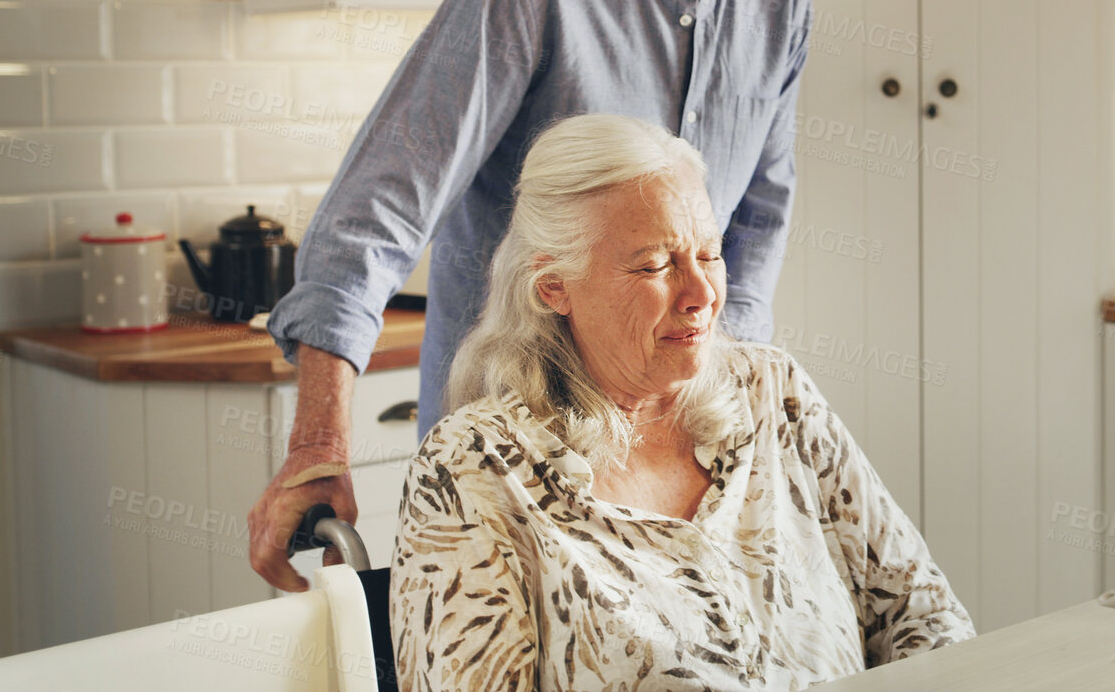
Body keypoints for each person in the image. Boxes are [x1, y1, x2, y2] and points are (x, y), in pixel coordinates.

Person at [248, 0, 829, 592]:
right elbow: (380, 205)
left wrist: (725, 404)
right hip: (512, 464)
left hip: (675, 466)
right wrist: (319, 443)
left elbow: (757, 219)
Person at [390, 114, 973, 689]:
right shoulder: (474, 466)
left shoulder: (775, 394)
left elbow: (925, 617)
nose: (701, 296)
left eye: (710, 254)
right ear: (553, 287)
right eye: (655, 265)